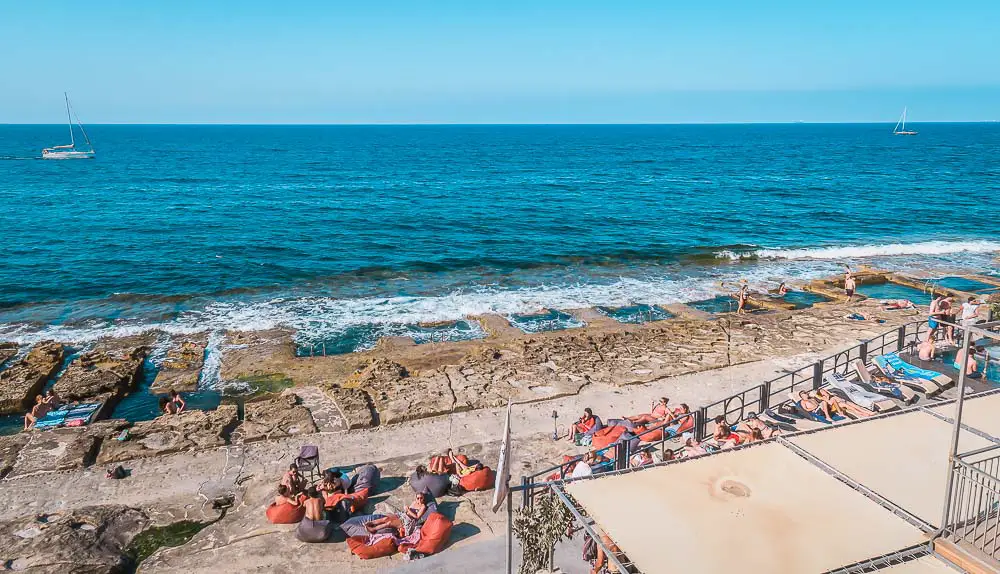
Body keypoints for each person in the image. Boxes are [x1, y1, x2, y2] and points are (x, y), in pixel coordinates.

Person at [366, 491, 431, 536]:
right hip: (402, 515)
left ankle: (373, 529)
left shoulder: (423, 506)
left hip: (407, 520)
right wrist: (406, 510)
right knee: (385, 518)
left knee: (388, 523)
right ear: (416, 498)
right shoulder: (414, 502)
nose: (419, 500)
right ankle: (371, 523)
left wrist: (408, 510)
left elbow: (417, 517)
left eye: (421, 498)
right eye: (418, 498)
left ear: (423, 498)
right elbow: (407, 511)